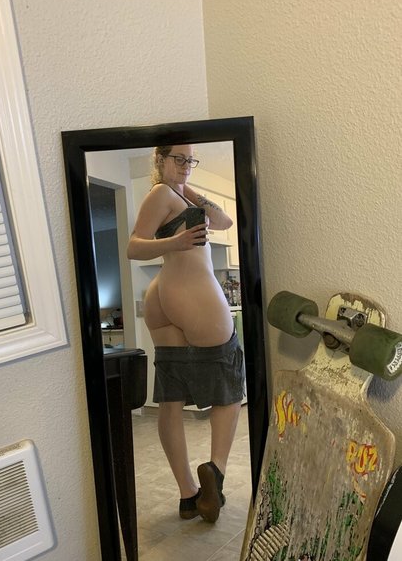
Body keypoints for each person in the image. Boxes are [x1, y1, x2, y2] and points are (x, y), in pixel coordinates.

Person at [127, 144, 245, 523]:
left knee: (171, 397)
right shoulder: (160, 193)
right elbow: (133, 246)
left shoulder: (176, 193)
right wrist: (175, 241)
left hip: (164, 296)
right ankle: (215, 471)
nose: (186, 165)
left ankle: (188, 496)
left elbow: (224, 221)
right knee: (229, 382)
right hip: (190, 292)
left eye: (190, 159)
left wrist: (187, 187)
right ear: (159, 159)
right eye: (178, 159)